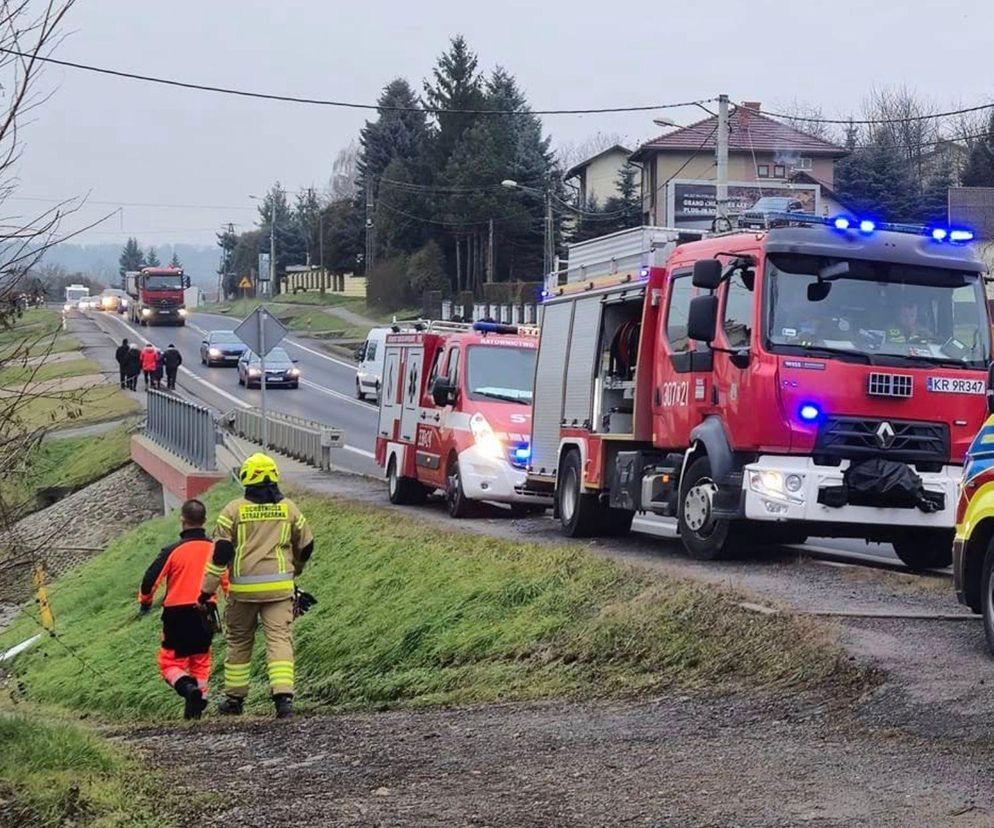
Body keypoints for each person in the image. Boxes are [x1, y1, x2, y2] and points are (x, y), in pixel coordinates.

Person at [199, 453, 314, 719]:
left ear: (246, 479)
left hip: (243, 592)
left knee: (239, 642)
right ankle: (283, 699)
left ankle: (235, 700)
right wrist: (295, 568)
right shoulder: (289, 508)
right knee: (279, 641)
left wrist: (207, 590)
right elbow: (307, 545)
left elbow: (221, 554)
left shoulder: (232, 511)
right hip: (279, 591)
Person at [138, 499, 228, 720]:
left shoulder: (173, 551)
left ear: (182, 521)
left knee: (169, 663)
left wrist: (145, 602)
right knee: (201, 659)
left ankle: (188, 689)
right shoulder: (214, 549)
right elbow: (227, 581)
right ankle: (198, 705)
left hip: (176, 613)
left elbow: (151, 579)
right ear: (204, 521)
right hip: (207, 610)